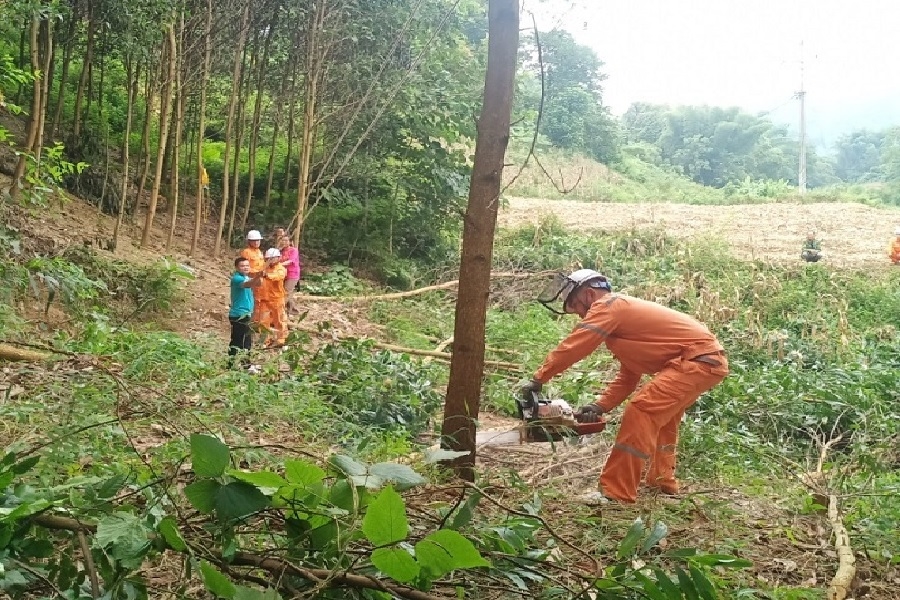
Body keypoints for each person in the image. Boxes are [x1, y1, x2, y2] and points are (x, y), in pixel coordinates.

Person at [521, 269, 729, 504]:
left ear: (589, 295)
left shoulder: (610, 305)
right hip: (703, 362)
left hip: (696, 361)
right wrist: (599, 406)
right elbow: (628, 377)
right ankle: (663, 482)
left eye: (577, 307)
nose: (580, 316)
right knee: (663, 420)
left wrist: (539, 378)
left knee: (641, 410)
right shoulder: (625, 329)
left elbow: (576, 345)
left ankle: (616, 492)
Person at [228, 257, 262, 367]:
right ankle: (238, 364)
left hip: (246, 313)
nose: (245, 267)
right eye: (242, 266)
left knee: (244, 340)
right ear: (237, 267)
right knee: (240, 341)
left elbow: (258, 283)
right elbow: (248, 284)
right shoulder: (237, 278)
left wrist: (260, 275)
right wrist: (257, 276)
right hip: (239, 315)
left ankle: (240, 363)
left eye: (247, 265)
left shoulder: (247, 277)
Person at [257, 248, 288, 347]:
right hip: (264, 299)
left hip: (277, 299)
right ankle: (265, 340)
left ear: (278, 258)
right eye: (269, 258)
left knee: (279, 320)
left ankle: (281, 340)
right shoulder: (264, 267)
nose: (271, 260)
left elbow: (277, 276)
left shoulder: (281, 269)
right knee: (263, 321)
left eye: (273, 258)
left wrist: (266, 275)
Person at [240, 230, 265, 320]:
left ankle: (255, 320)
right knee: (250, 299)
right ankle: (247, 319)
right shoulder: (246, 252)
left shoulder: (259, 252)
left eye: (258, 240)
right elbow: (244, 267)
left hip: (259, 280)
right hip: (250, 279)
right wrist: (256, 272)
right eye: (254, 240)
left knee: (258, 300)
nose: (256, 242)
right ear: (249, 241)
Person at [277, 234, 302, 315]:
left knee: (286, 291)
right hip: (282, 274)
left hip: (292, 274)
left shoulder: (294, 250)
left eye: (286, 240)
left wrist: (279, 265)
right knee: (286, 291)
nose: (284, 242)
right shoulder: (280, 251)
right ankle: (293, 310)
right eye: (283, 240)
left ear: (290, 242)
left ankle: (280, 310)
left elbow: (291, 261)